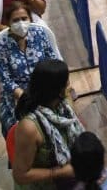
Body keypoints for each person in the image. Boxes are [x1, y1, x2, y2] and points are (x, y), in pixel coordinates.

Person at [12, 59, 85, 188]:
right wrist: (60, 172)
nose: (70, 85)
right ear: (57, 90)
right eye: (67, 82)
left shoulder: (64, 106)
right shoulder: (29, 128)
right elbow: (20, 175)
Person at [0, 2, 61, 136]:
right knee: (20, 131)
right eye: (15, 20)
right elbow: (6, 80)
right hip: (17, 95)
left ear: (30, 19)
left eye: (24, 18)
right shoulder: (1, 45)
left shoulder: (40, 34)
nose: (21, 23)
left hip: (44, 89)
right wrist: (25, 98)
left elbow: (53, 61)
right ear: (7, 22)